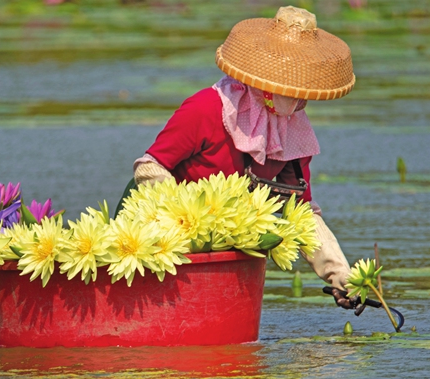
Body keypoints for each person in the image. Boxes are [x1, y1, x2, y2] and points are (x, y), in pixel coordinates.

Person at [131, 6, 359, 309]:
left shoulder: (294, 131)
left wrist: (341, 275)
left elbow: (302, 214)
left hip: (232, 260)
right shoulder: (206, 108)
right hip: (163, 248)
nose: (302, 98)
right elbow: (149, 168)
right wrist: (187, 216)